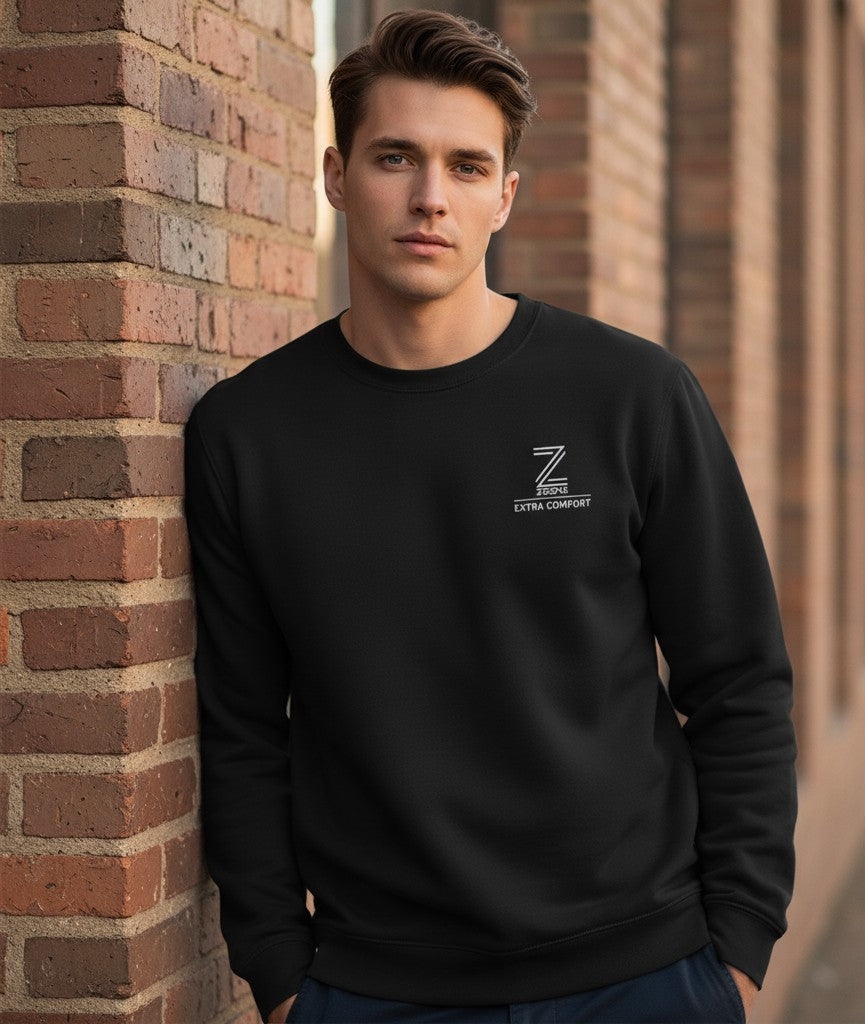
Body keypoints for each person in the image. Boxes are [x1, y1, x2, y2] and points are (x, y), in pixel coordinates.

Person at [183, 10, 797, 1024]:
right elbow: (243, 729)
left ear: (504, 197)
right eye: (396, 157)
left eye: (466, 167)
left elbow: (737, 679)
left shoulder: (631, 396)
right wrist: (279, 974)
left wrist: (736, 944)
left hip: (646, 976)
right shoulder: (249, 434)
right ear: (335, 177)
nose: (430, 197)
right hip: (375, 989)